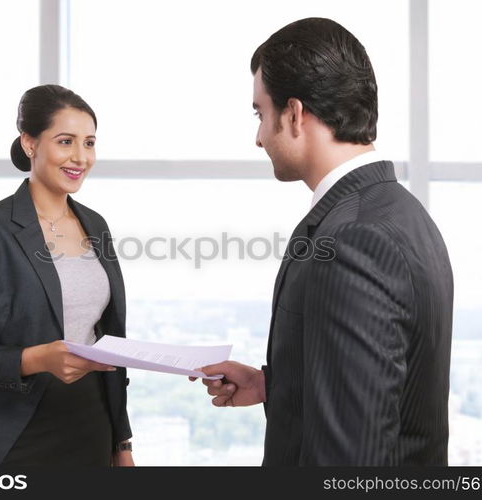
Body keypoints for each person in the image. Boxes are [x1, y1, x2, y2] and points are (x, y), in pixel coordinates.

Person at [192, 18, 453, 466]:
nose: (258, 137)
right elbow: (377, 389)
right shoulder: (399, 211)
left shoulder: (352, 238)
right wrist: (276, 385)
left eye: (261, 113)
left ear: (294, 113)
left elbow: (350, 454)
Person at [0, 84, 134, 466]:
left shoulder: (96, 225)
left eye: (89, 143)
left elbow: (108, 342)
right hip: (11, 440)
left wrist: (122, 442)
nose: (80, 157)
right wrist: (35, 358)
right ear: (30, 143)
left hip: (90, 429)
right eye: (65, 141)